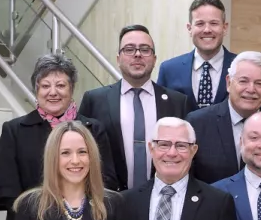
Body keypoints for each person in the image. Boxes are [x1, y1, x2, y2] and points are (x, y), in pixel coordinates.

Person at [0, 54, 117, 220]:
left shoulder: (94, 129)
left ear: (71, 89)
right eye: (45, 86)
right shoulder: (14, 130)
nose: (53, 92)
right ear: (36, 90)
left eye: (60, 85)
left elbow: (108, 180)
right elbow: (8, 190)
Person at [78, 25, 189, 190]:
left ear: (154, 58)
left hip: (163, 198)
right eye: (129, 49)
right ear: (118, 59)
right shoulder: (94, 100)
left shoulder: (178, 102)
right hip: (109, 200)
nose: (137, 54)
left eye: (145, 49)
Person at [187, 51, 261, 182]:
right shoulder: (197, 123)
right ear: (228, 83)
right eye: (243, 81)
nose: (251, 89)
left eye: (259, 83)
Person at [157, 0, 236, 112]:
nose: (207, 30)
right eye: (200, 24)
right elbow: (160, 115)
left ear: (224, 28)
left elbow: (259, 114)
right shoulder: (169, 70)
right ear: (189, 29)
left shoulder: (243, 66)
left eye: (214, 23)